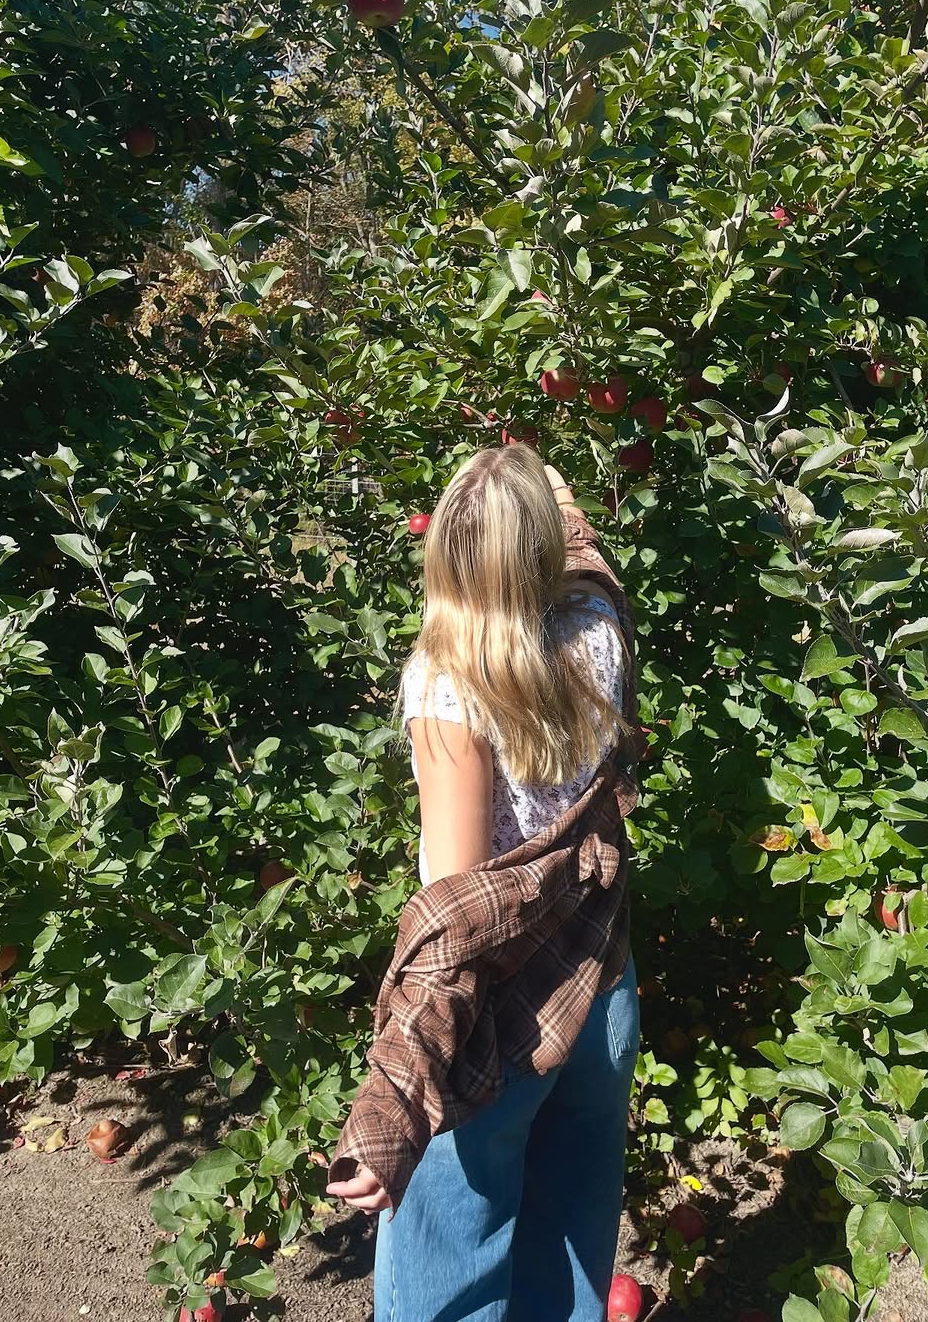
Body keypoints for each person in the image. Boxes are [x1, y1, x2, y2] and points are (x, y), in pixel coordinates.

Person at [326, 443, 642, 1322]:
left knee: (449, 1268)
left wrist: (396, 1103)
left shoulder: (449, 686)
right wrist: (539, 481)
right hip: (600, 981)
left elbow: (457, 919)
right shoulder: (597, 626)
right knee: (570, 1238)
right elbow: (585, 547)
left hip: (502, 1016)